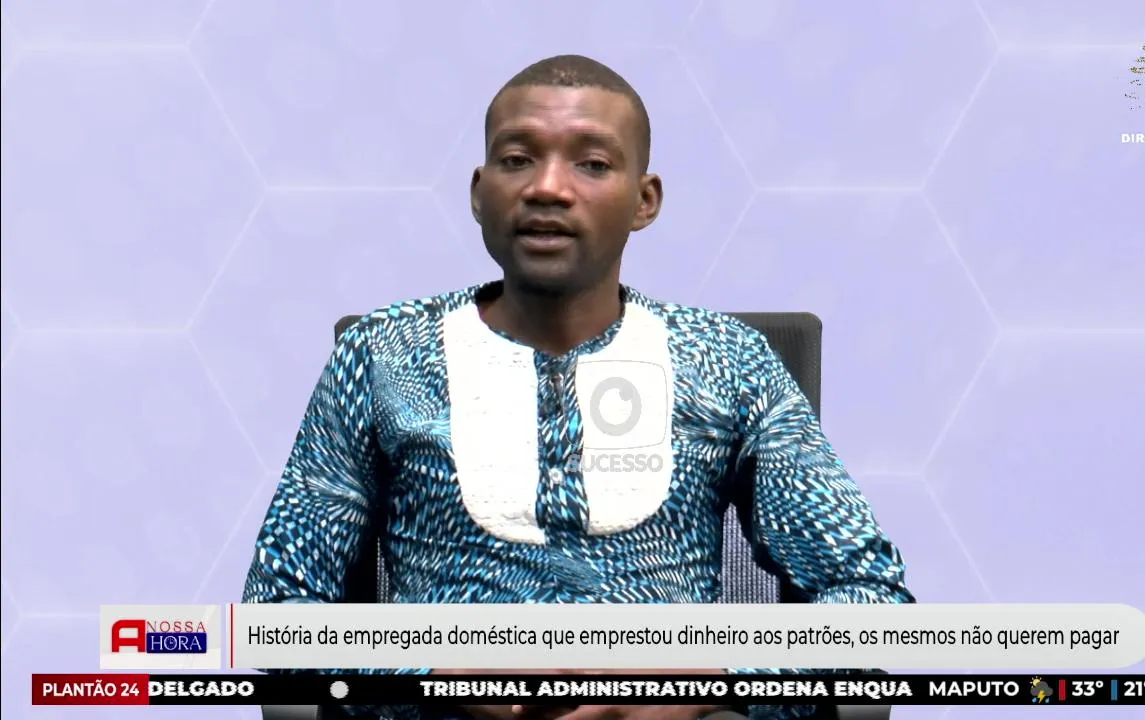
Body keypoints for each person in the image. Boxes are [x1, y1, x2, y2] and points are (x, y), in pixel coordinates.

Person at [243, 55, 914, 720]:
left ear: (644, 200)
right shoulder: (384, 354)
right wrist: (434, 671)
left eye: (592, 163)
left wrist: (705, 680)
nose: (548, 188)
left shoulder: (729, 361)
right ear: (478, 192)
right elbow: (278, 611)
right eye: (517, 159)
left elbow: (871, 601)